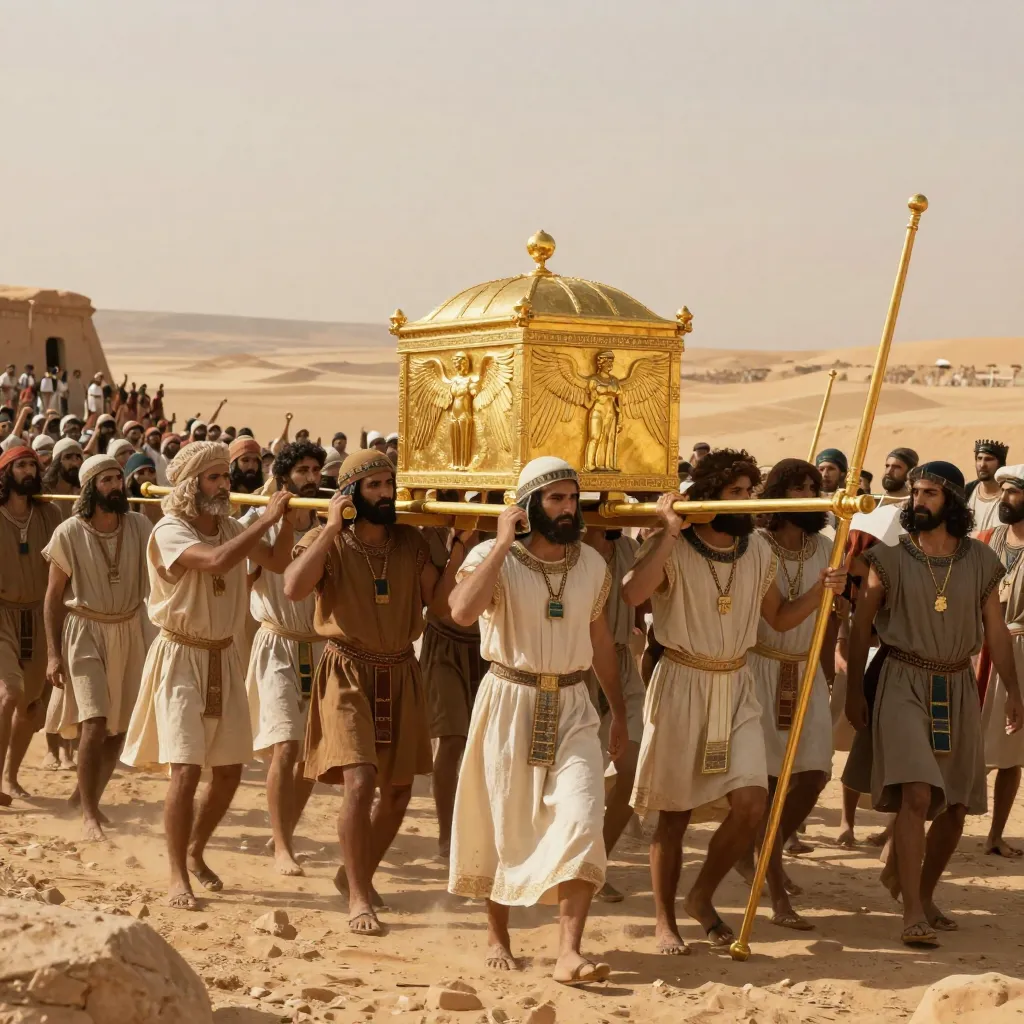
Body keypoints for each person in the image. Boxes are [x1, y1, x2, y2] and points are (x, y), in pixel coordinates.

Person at [622, 449, 846, 953]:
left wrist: (822, 591)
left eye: (750, 491)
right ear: (709, 497)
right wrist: (668, 532)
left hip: (737, 685)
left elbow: (781, 618)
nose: (747, 501)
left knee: (750, 804)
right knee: (674, 813)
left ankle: (700, 896)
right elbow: (633, 595)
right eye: (736, 492)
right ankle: (664, 920)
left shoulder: (757, 551)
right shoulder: (673, 544)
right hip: (682, 683)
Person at [447, 457, 626, 983]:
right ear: (528, 506)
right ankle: (497, 934)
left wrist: (618, 711)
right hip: (510, 700)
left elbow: (599, 640)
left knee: (583, 816)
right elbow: (461, 611)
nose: (568, 508)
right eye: (556, 499)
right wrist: (502, 543)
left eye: (573, 498)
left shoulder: (591, 563)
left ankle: (569, 951)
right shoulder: (490, 556)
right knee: (505, 816)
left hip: (573, 705)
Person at [845, 461, 1023, 947]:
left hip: (958, 684)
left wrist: (1013, 692)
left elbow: (995, 631)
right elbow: (861, 627)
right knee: (917, 795)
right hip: (902, 679)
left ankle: (921, 893)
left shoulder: (981, 559)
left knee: (956, 806)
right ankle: (911, 915)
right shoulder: (888, 557)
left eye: (929, 493)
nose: (918, 501)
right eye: (915, 492)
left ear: (952, 501)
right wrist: (854, 690)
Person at [120, 441, 294, 909]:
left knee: (230, 772)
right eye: (214, 478)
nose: (224, 486)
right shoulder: (169, 530)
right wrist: (266, 519)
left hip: (223, 656)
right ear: (191, 483)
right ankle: (177, 875)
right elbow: (216, 561)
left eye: (225, 477)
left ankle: (195, 849)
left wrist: (288, 518)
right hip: (180, 657)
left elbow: (278, 562)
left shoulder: (232, 527)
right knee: (185, 769)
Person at [283, 449, 439, 935]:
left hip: (401, 671)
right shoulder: (323, 539)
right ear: (351, 492)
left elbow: (442, 603)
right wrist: (331, 529)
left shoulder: (410, 541)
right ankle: (358, 897)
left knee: (398, 791)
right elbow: (293, 588)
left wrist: (461, 541)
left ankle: (355, 873)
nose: (385, 494)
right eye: (374, 485)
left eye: (389, 484)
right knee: (360, 780)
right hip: (346, 670)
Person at [42, 455, 152, 840]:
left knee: (119, 730)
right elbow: (53, 597)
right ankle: (89, 815)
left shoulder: (139, 525)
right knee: (94, 723)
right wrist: (53, 654)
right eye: (106, 480)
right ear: (91, 487)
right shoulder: (69, 532)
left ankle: (84, 798)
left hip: (128, 630)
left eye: (118, 478)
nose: (116, 485)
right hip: (85, 631)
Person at [745, 459, 835, 929]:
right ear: (778, 493)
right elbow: (778, 619)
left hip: (806, 671)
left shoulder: (827, 545)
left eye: (814, 487)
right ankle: (777, 891)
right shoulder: (756, 546)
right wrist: (823, 591)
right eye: (799, 487)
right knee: (768, 784)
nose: (810, 494)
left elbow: (832, 616)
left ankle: (764, 852)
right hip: (761, 668)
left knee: (814, 774)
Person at [243, 441, 327, 875]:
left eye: (316, 470)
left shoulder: (330, 522)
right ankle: (281, 848)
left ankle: (284, 834)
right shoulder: (255, 522)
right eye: (303, 471)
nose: (312, 478)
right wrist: (280, 522)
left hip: (319, 646)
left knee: (312, 754)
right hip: (276, 642)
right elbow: (266, 570)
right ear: (283, 478)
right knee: (287, 745)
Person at [579, 505, 646, 902]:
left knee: (632, 773)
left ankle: (595, 865)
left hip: (621, 663)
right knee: (580, 779)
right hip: (574, 669)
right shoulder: (566, 551)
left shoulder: (626, 548)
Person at [419, 515, 485, 860]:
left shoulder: (503, 528)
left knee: (485, 746)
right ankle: (447, 834)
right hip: (444, 644)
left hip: (489, 647)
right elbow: (441, 605)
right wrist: (459, 545)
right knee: (451, 740)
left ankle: (478, 831)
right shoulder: (430, 534)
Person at [0, 446, 63, 803]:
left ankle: (11, 778)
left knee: (30, 706)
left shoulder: (50, 514)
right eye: (20, 465)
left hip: (39, 616)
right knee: (9, 692)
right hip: (1, 615)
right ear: (6, 473)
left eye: (32, 465)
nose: (28, 471)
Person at [977, 463, 1024, 857]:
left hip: (1020, 652)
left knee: (1010, 752)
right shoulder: (987, 539)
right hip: (975, 648)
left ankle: (994, 834)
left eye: (1014, 491)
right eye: (1004, 490)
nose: (1005, 498)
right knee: (954, 745)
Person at [967, 439, 1010, 534]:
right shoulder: (967, 491)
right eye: (979, 458)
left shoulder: (1010, 495)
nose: (982, 465)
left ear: (1001, 464)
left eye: (988, 459)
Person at [41, 438, 84, 521]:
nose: (75, 462)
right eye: (68, 457)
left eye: (78, 457)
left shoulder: (83, 492)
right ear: (57, 461)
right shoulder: (44, 492)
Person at [125, 452, 162, 526]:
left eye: (151, 471)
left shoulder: (160, 502)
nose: (146, 475)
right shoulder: (125, 503)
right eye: (141, 472)